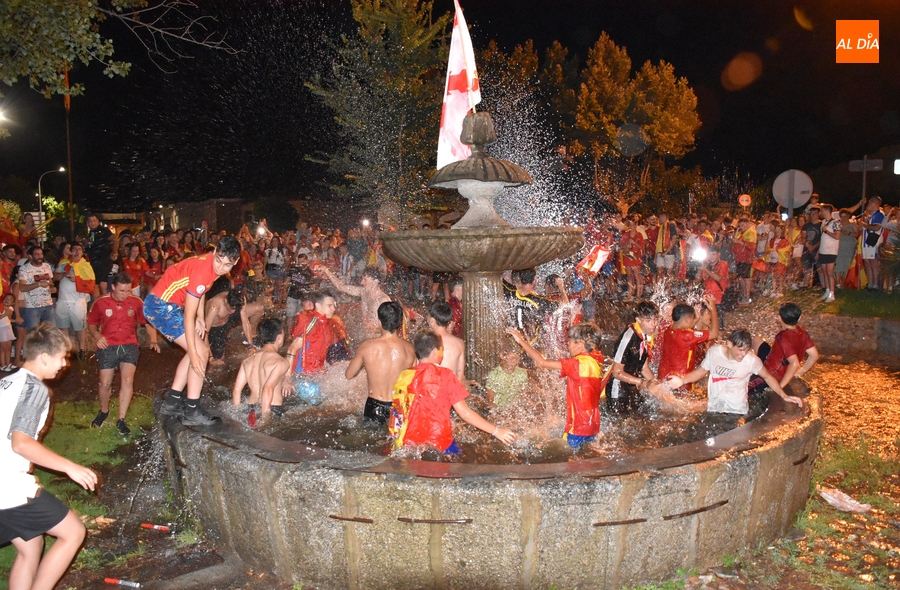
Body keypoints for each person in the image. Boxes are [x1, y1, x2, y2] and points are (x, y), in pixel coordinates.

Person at [0, 323, 98, 590]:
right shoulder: (34, 388)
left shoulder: (6, 379)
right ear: (44, 357)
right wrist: (70, 467)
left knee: (30, 546)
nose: (65, 364)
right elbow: (21, 443)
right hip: (6, 488)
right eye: (62, 357)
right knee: (74, 532)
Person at [143, 236, 241, 426]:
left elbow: (201, 291)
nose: (220, 267)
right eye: (219, 260)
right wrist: (196, 353)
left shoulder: (209, 266)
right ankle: (192, 411)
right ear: (214, 252)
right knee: (201, 351)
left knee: (196, 350)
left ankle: (171, 402)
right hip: (161, 306)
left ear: (235, 262)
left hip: (166, 304)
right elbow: (188, 315)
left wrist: (201, 317)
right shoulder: (203, 272)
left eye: (227, 264)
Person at [389, 330, 515, 454]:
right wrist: (496, 431)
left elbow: (398, 412)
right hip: (439, 444)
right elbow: (465, 413)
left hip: (407, 446)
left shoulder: (404, 376)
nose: (442, 354)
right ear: (434, 352)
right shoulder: (445, 375)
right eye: (442, 350)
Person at [508, 323, 605, 448]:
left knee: (570, 461)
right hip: (593, 424)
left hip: (578, 426)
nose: (568, 344)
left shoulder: (576, 363)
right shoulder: (596, 361)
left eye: (570, 340)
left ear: (580, 344)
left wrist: (521, 341)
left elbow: (541, 362)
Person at [87, 273, 160, 435]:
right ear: (113, 287)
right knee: (105, 383)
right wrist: (97, 335)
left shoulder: (135, 302)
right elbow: (91, 322)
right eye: (121, 290)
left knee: (127, 380)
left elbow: (147, 322)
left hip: (129, 345)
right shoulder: (101, 302)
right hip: (108, 345)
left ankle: (121, 419)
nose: (125, 294)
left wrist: (153, 340)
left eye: (128, 290)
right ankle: (104, 411)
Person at [665, 329, 803, 414]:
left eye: (747, 350)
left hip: (737, 410)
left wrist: (784, 395)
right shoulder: (714, 353)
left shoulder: (752, 361)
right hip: (715, 407)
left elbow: (767, 377)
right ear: (729, 344)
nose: (743, 354)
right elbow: (701, 371)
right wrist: (682, 380)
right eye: (740, 349)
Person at [344, 302, 417, 425]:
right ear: (400, 323)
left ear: (379, 321)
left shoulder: (367, 346)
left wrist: (364, 364)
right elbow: (414, 382)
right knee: (396, 441)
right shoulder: (410, 349)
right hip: (399, 407)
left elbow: (349, 374)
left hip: (375, 406)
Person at [749, 302, 819, 392]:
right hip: (772, 360)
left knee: (744, 387)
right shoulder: (802, 332)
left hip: (771, 375)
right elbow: (814, 355)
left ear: (779, 318)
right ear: (800, 318)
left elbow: (794, 363)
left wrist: (779, 387)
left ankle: (758, 373)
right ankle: (756, 366)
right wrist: (801, 371)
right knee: (756, 339)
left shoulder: (783, 337)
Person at [231, 318, 290, 422]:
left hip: (249, 409)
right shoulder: (280, 362)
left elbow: (236, 390)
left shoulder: (247, 360)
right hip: (271, 408)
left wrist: (237, 414)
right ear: (279, 338)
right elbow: (267, 388)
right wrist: (265, 419)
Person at [607, 300, 659, 416]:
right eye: (648, 320)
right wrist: (643, 383)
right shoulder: (628, 337)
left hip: (632, 384)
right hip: (618, 388)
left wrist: (655, 384)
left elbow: (643, 367)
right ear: (638, 320)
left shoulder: (646, 336)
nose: (653, 324)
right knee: (620, 424)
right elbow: (617, 372)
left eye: (655, 319)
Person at [656, 296, 719, 381]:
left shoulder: (669, 330)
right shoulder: (688, 336)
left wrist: (695, 319)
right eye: (692, 318)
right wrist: (713, 310)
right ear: (687, 320)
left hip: (663, 375)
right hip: (680, 378)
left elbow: (684, 329)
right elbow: (714, 333)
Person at [204, 278, 264, 366]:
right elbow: (204, 333)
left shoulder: (240, 298)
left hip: (229, 319)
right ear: (225, 301)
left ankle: (253, 336)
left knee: (258, 308)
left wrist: (251, 345)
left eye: (234, 309)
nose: (232, 311)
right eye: (230, 308)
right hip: (216, 327)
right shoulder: (215, 306)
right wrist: (210, 358)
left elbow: (245, 321)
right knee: (219, 361)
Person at [320, 265, 391, 338]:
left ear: (376, 281)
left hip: (379, 339)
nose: (361, 282)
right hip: (366, 337)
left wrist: (376, 329)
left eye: (365, 279)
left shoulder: (383, 300)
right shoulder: (363, 292)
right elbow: (341, 286)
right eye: (362, 279)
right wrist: (326, 270)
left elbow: (391, 327)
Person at [53, 243, 95, 359]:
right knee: (63, 327)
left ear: (82, 252)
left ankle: (82, 350)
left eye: (79, 249)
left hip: (77, 302)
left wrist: (76, 279)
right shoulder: (64, 263)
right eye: (74, 249)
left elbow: (91, 283)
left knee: (80, 328)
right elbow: (55, 277)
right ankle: (67, 350)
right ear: (70, 252)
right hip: (62, 300)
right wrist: (63, 274)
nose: (76, 252)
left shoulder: (85, 266)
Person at [289, 289, 344, 375]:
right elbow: (292, 348)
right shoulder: (311, 323)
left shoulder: (324, 323)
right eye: (329, 306)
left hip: (314, 374)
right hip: (303, 376)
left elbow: (319, 352)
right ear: (318, 306)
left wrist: (329, 367)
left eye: (334, 305)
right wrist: (287, 379)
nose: (333, 308)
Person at [18, 246, 56, 331]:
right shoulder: (24, 269)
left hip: (48, 305)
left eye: (41, 254)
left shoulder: (47, 266)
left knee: (51, 332)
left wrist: (52, 287)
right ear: (30, 256)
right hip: (32, 307)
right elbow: (22, 288)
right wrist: (38, 284)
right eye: (36, 254)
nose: (40, 256)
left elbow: (50, 282)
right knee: (33, 333)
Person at [427, 301, 466, 381]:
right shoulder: (459, 343)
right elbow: (460, 377)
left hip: (432, 390)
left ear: (431, 320)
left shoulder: (425, 341)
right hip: (451, 389)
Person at [84, 213, 113, 296]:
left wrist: (114, 252)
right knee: (102, 283)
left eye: (94, 221)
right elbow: (91, 245)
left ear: (98, 221)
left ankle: (97, 304)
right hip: (95, 260)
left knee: (95, 284)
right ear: (88, 223)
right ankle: (103, 302)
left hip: (102, 260)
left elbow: (115, 240)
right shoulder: (91, 233)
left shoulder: (104, 230)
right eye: (90, 221)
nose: (92, 223)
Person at [817, 204, 841, 302]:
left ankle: (832, 293)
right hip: (823, 250)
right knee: (824, 271)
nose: (820, 213)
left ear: (827, 211)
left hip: (831, 251)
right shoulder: (823, 222)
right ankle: (827, 291)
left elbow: (837, 236)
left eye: (822, 211)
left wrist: (826, 231)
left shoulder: (836, 222)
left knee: (830, 272)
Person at [860, 196, 885, 291]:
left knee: (873, 263)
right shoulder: (871, 215)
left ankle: (875, 285)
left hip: (873, 241)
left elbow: (876, 228)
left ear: (874, 204)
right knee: (867, 262)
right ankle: (870, 284)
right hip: (867, 241)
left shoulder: (879, 214)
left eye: (870, 203)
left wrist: (864, 225)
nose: (868, 205)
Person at [0, 293, 16, 371]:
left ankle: (8, 363)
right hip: (1, 328)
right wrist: (5, 314)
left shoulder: (10, 308)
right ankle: (3, 365)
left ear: (12, 303)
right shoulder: (1, 308)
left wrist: (15, 320)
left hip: (8, 328)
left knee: (8, 348)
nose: (7, 300)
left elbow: (9, 318)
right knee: (3, 348)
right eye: (6, 298)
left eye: (10, 299)